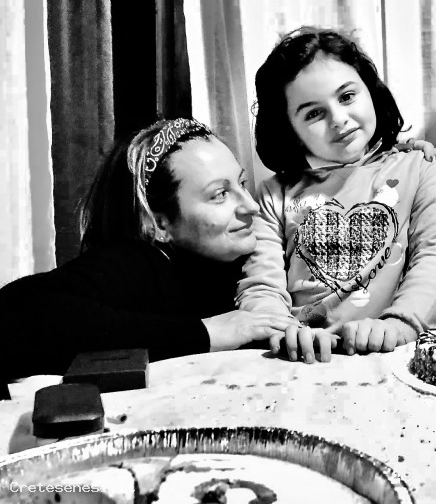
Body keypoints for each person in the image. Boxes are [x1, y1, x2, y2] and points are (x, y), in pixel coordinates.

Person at [0, 118, 301, 380]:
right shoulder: (140, 263)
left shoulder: (261, 252)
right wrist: (208, 332)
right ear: (158, 223)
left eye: (242, 184)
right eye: (220, 194)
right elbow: (14, 315)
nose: (250, 206)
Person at [236, 28, 436, 361]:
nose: (339, 120)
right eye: (313, 113)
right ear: (290, 130)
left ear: (370, 90)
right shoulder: (274, 194)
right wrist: (281, 331)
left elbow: (435, 260)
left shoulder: (421, 171)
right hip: (299, 358)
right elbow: (262, 284)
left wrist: (399, 325)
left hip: (389, 355)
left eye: (347, 96)